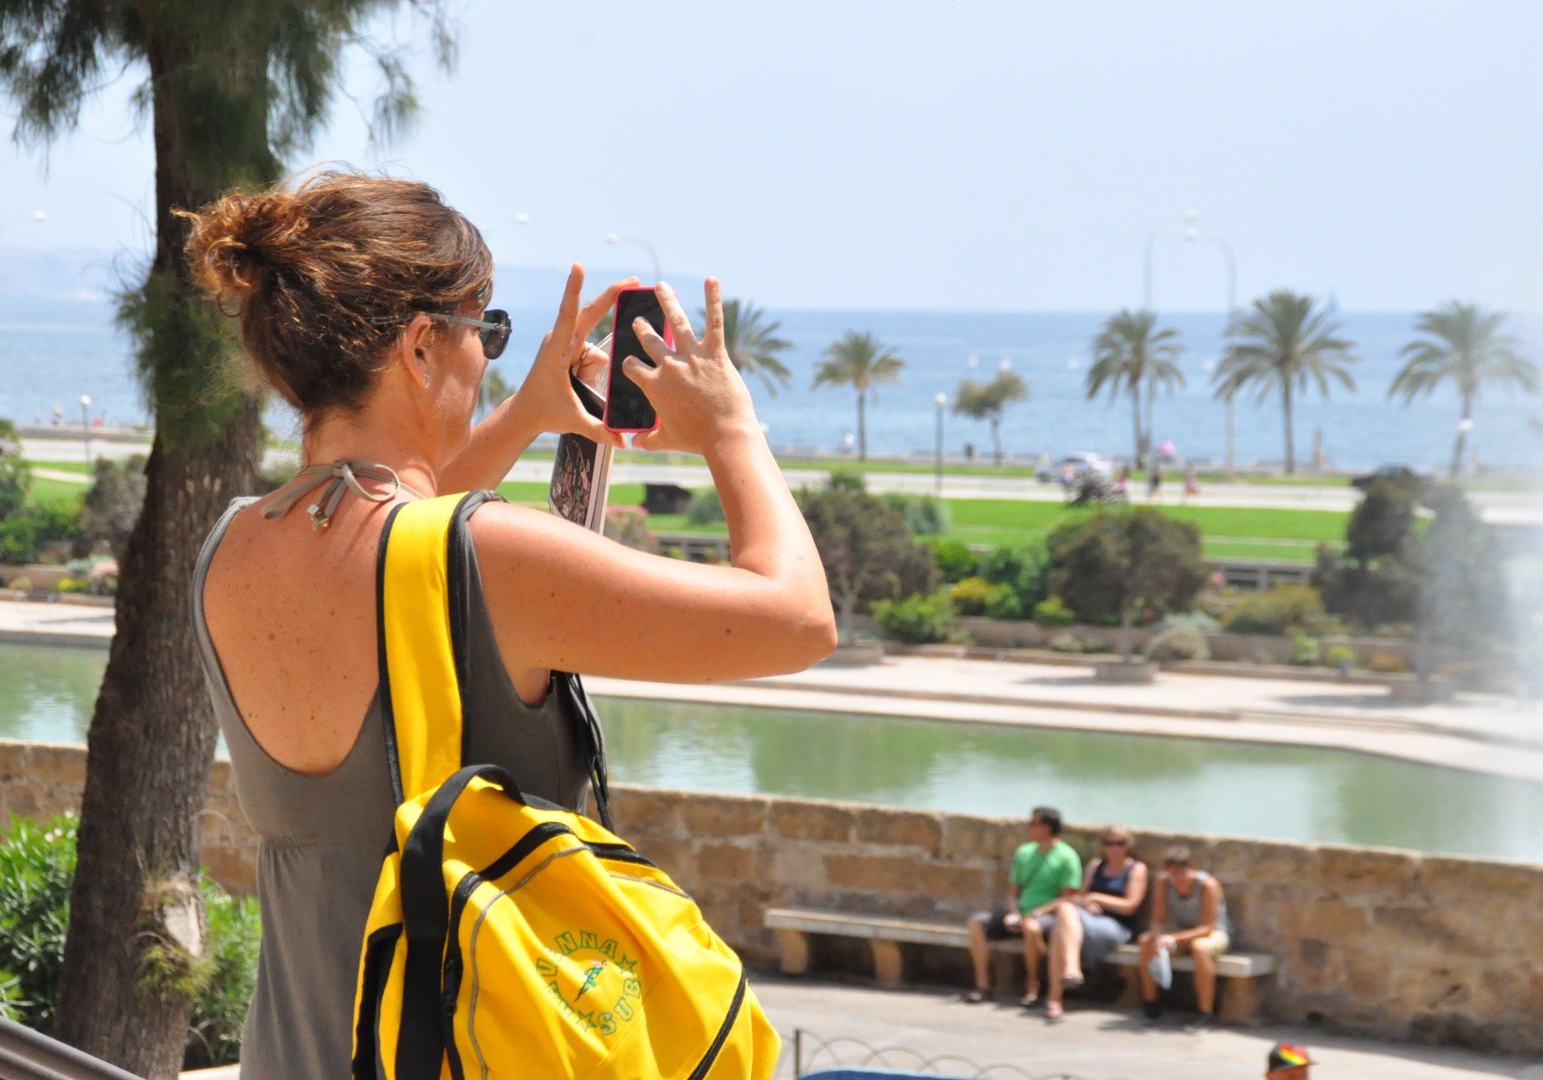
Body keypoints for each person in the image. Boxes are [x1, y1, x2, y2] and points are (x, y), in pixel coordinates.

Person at [184, 171, 836, 1078]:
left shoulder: (230, 550)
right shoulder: (491, 559)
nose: (487, 359)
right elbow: (797, 619)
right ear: (420, 347)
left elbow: (403, 546)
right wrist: (734, 430)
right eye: (485, 331)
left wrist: (527, 411)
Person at [962, 806, 1081, 1005]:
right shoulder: (1024, 852)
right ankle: (983, 985)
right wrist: (1014, 913)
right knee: (976, 923)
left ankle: (1032, 984)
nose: (1028, 827)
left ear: (1047, 828)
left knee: (1031, 928)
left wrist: (1037, 912)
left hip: (1046, 915)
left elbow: (1068, 898)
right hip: (1021, 912)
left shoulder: (1067, 857)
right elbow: (1013, 892)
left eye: (1033, 823)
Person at [1035, 824, 1149, 1020]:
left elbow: (1130, 905)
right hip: (1086, 919)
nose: (1115, 848)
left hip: (1115, 925)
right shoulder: (1096, 866)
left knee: (1060, 931)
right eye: (1110, 843)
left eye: (1120, 844)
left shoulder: (1136, 869)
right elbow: (1079, 898)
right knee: (1063, 915)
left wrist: (1097, 898)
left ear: (1128, 846)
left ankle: (1056, 996)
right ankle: (1068, 976)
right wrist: (1086, 904)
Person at [1138, 845, 1233, 1032]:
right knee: (1146, 941)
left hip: (1214, 932)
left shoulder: (1208, 885)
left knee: (1200, 948)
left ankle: (1205, 1013)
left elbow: (1208, 927)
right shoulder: (1163, 883)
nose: (1178, 879)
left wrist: (1173, 939)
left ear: (1192, 868)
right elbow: (1157, 919)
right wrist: (1158, 937)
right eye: (1173, 874)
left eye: (1182, 873)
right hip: (1180, 930)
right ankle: (1151, 1004)